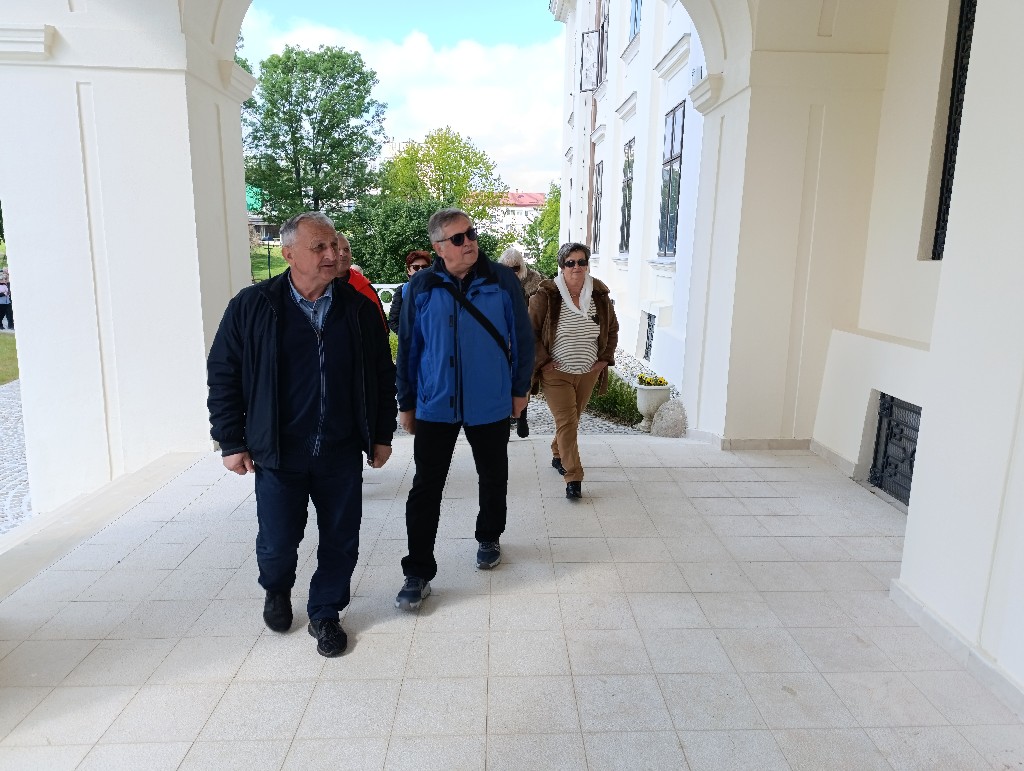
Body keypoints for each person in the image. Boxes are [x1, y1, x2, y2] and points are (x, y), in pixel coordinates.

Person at [207, 211, 397, 657]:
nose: (332, 254)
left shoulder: (358, 308)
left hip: (340, 449)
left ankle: (325, 612)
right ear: (289, 253)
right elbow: (224, 373)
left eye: (334, 245)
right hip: (278, 451)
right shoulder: (252, 306)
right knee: (277, 541)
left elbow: (381, 375)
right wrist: (231, 440)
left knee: (341, 538)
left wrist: (381, 433)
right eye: (320, 247)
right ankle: (276, 587)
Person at [394, 208, 533, 610]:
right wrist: (406, 402)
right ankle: (417, 571)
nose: (469, 241)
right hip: (435, 403)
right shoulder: (421, 286)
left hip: (490, 400)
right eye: (458, 238)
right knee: (426, 487)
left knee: (493, 474)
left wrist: (519, 390)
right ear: (439, 247)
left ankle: (489, 536)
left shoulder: (501, 280)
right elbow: (409, 348)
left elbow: (523, 339)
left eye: (471, 233)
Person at [529, 242, 618, 500]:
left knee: (572, 419)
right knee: (567, 422)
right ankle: (573, 477)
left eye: (581, 262)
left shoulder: (599, 295)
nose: (576, 267)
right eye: (570, 263)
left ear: (587, 265)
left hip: (588, 371)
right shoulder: (546, 295)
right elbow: (529, 332)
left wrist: (604, 360)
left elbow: (612, 329)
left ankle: (558, 452)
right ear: (562, 266)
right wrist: (544, 362)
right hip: (556, 373)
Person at [335, 235, 387, 329]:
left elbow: (381, 328)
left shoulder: (365, 288)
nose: (343, 254)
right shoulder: (315, 286)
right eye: (337, 250)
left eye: (346, 249)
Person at [387, 250, 432, 334]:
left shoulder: (438, 290)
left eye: (425, 267)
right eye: (416, 267)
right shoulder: (402, 290)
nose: (420, 270)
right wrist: (407, 336)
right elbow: (394, 320)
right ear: (409, 270)